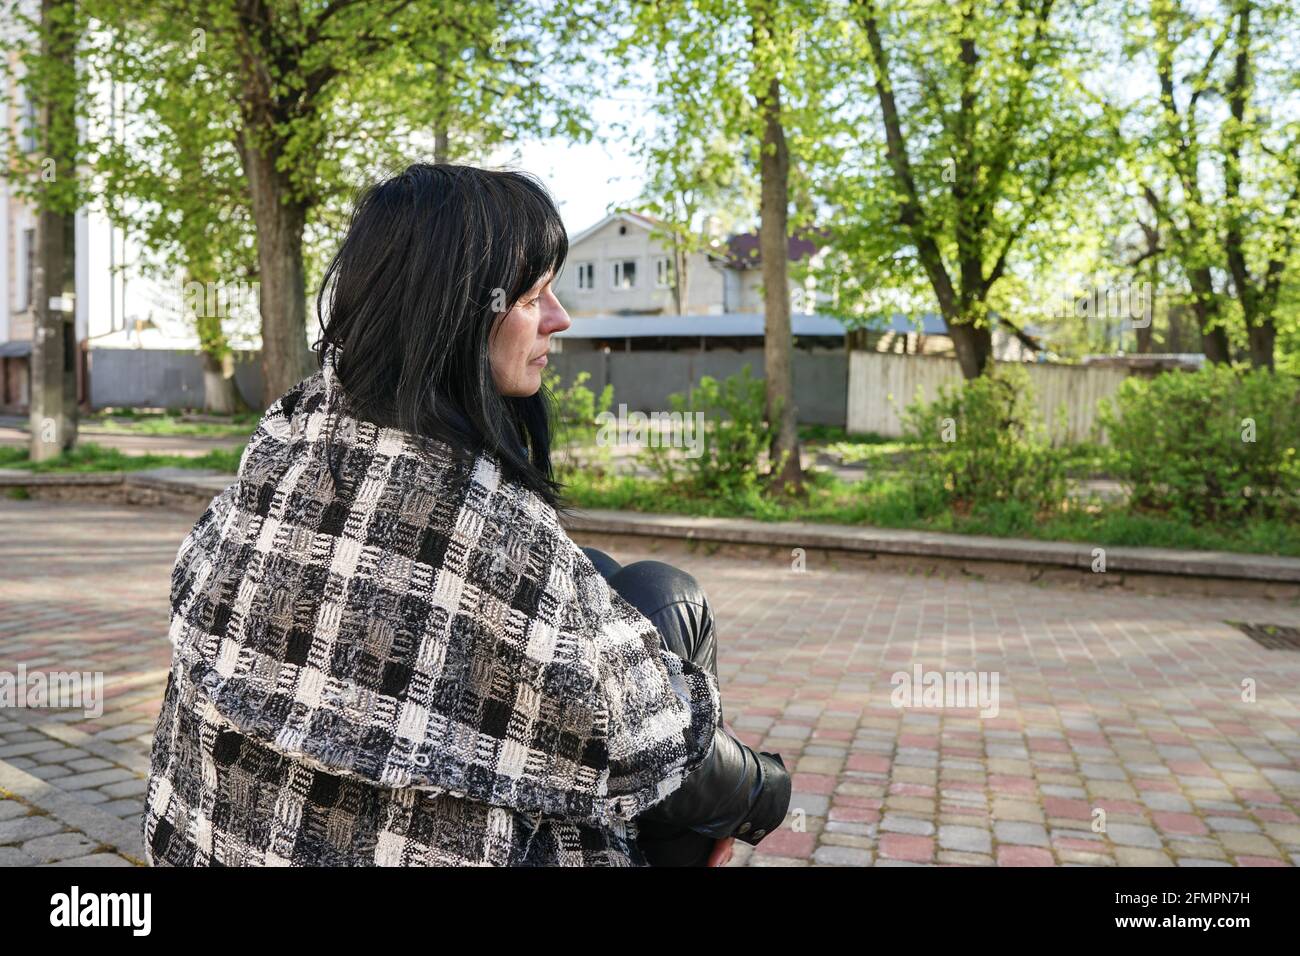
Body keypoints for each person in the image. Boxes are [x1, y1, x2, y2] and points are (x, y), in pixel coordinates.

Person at [140, 162, 790, 867]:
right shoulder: (484, 528)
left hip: (202, 845)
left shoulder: (288, 438)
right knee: (670, 601)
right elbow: (652, 737)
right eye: (534, 295)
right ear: (456, 311)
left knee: (601, 580)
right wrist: (767, 794)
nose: (560, 318)